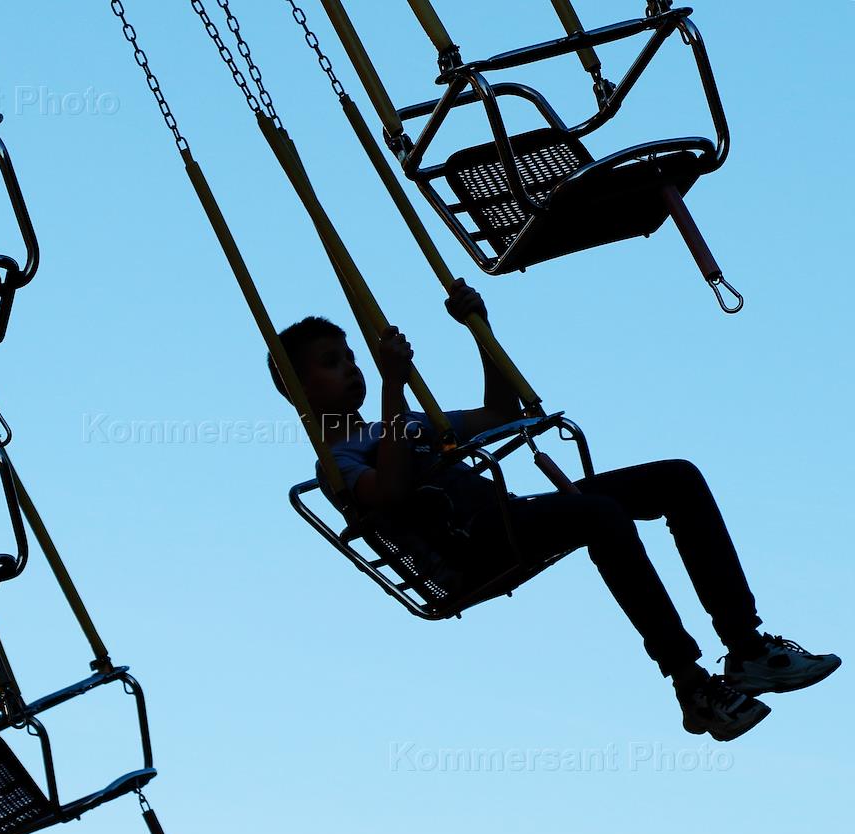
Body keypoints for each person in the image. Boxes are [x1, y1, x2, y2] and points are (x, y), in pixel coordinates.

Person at [269, 283, 840, 741]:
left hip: (509, 516)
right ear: (298, 388)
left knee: (677, 479)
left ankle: (746, 647)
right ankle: (690, 681)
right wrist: (393, 385)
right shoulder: (336, 461)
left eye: (350, 356)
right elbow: (390, 493)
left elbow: (499, 412)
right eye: (331, 362)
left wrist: (479, 331)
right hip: (471, 549)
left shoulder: (411, 421)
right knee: (599, 514)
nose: (351, 367)